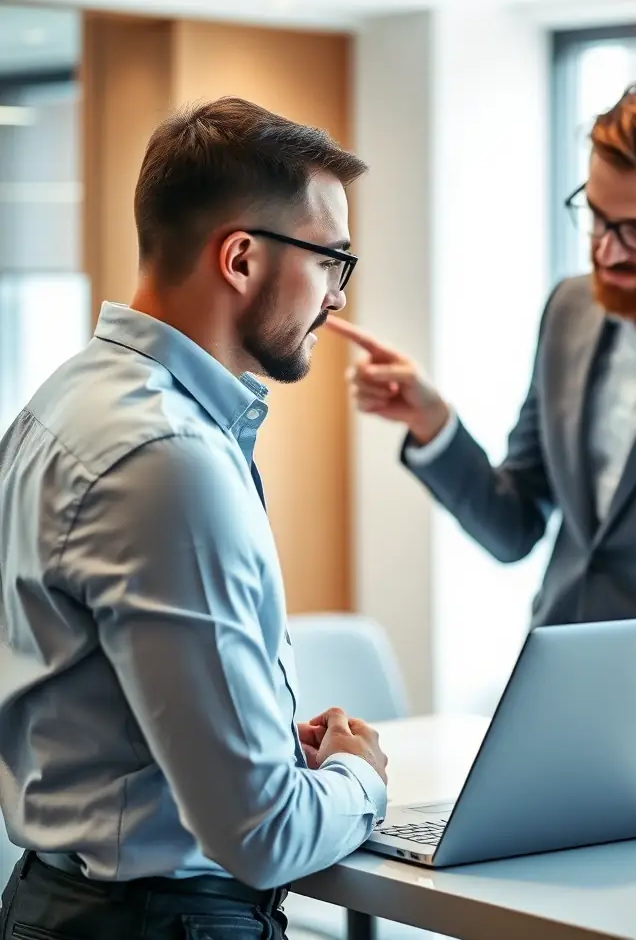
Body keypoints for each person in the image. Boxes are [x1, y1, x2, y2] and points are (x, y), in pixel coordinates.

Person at [0, 97, 388, 939]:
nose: (336, 300)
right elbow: (263, 833)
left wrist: (250, 731)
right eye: (331, 261)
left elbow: (88, 690)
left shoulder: (64, 404)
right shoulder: (168, 461)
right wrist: (360, 778)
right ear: (242, 258)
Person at [330, 76, 636, 814]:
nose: (606, 250)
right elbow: (515, 526)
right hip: (551, 709)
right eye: (595, 217)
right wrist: (435, 426)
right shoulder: (569, 310)